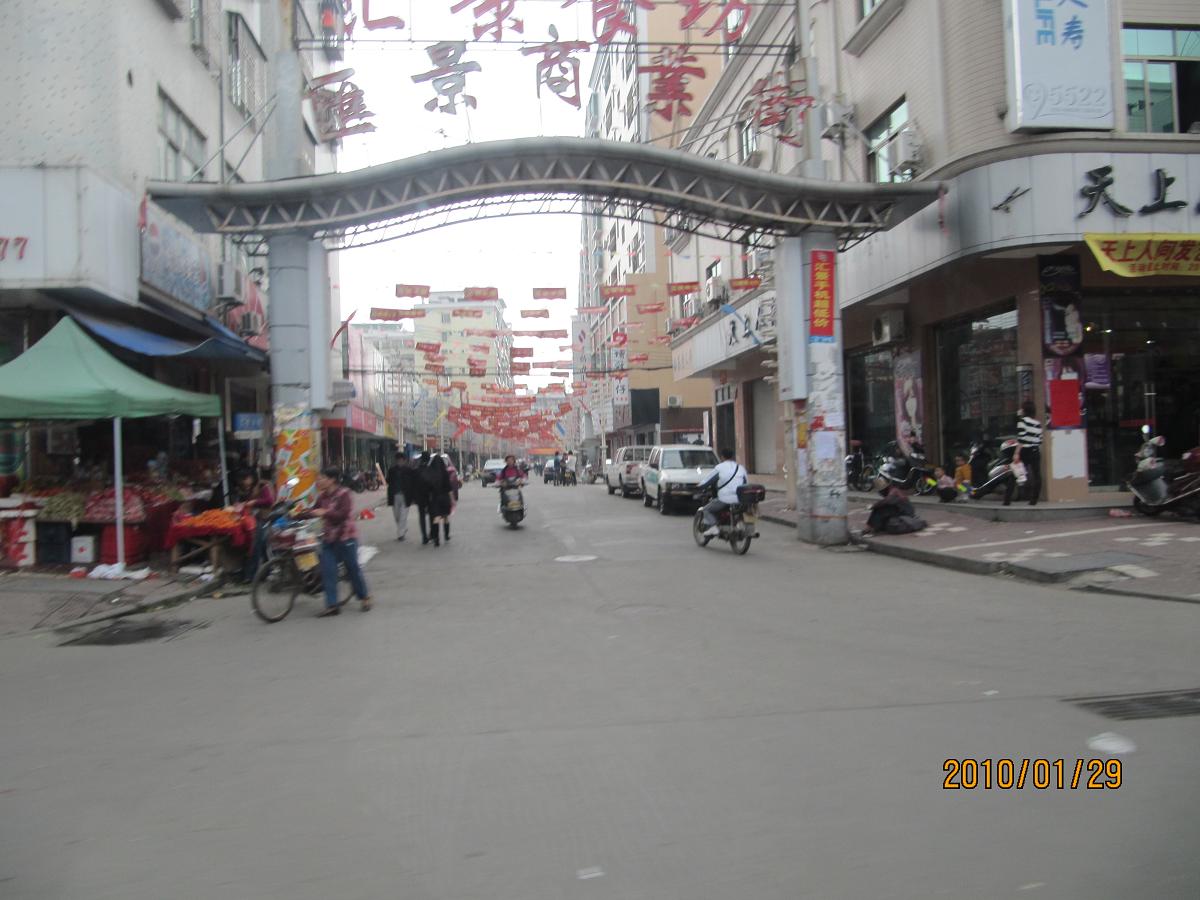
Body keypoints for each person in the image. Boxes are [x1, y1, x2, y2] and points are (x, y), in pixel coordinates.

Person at [307, 466, 372, 617]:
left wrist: (325, 512)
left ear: (332, 480)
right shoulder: (322, 497)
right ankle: (332, 605)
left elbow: (342, 515)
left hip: (346, 538)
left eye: (322, 478)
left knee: (353, 570)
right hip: (329, 539)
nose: (319, 481)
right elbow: (313, 512)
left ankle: (364, 597)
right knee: (328, 571)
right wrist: (295, 514)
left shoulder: (344, 494)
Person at [234, 468, 275, 583]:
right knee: (257, 547)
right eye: (242, 480)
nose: (244, 482)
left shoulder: (262, 486)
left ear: (252, 477)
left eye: (246, 478)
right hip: (249, 520)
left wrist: (254, 502)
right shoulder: (243, 490)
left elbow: (269, 501)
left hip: (262, 519)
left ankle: (252, 575)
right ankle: (262, 572)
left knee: (257, 546)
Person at [697, 448, 748, 537]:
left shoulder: (719, 468)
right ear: (732, 456)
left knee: (706, 510)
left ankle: (713, 527)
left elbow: (707, 481)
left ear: (722, 457)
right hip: (740, 498)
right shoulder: (740, 468)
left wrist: (698, 487)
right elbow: (745, 482)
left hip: (724, 499)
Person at [1014, 399, 1043, 506]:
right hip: (1035, 450)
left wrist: (1016, 453)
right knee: (1037, 475)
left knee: (1017, 472)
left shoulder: (1022, 422)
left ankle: (1015, 496)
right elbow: (1040, 440)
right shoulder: (1038, 424)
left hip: (1025, 450)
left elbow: (1021, 439)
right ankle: (1034, 499)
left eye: (1021, 408)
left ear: (1024, 410)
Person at [421, 454, 454, 546]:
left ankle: (436, 539)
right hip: (445, 498)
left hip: (435, 499)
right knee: (445, 517)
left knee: (436, 518)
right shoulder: (445, 473)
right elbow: (449, 488)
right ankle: (446, 535)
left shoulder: (430, 474)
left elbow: (427, 488)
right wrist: (452, 500)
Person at [385, 452, 417, 541]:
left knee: (403, 516)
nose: (400, 462)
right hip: (394, 495)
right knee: (397, 516)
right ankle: (403, 528)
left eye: (401, 460)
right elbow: (388, 480)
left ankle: (401, 534)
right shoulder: (392, 470)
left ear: (404, 460)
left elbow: (413, 484)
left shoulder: (409, 470)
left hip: (406, 496)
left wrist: (414, 497)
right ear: (396, 461)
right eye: (398, 460)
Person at [413, 451, 433, 544]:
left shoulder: (416, 470)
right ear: (428, 459)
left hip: (420, 497)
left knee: (422, 516)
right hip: (430, 496)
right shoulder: (431, 470)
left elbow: (413, 485)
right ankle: (431, 534)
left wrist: (414, 498)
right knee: (432, 515)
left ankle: (424, 536)